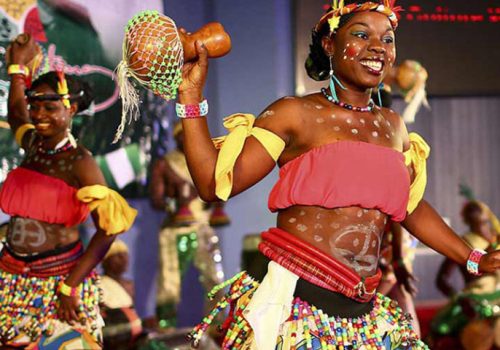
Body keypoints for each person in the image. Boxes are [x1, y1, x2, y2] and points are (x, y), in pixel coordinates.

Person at [170, 1, 500, 348]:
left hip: (366, 310)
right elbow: (211, 184)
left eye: (387, 40)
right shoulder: (294, 113)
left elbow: (410, 207)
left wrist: (473, 258)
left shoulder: (393, 126)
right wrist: (190, 93)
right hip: (298, 306)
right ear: (329, 44)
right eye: (361, 35)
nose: (378, 48)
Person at [0, 34, 137, 348]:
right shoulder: (34, 146)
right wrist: (17, 71)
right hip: (11, 279)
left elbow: (108, 230)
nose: (39, 115)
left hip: (57, 282)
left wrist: (69, 287)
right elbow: (18, 114)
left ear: (72, 108)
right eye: (36, 106)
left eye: (50, 106)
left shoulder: (80, 163)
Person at [150, 122, 225, 330]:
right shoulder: (165, 164)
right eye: (183, 135)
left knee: (215, 279)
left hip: (203, 228)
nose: (187, 139)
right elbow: (156, 200)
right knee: (169, 284)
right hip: (176, 231)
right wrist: (176, 203)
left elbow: (218, 191)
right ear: (176, 138)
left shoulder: (206, 161)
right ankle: (166, 328)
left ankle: (216, 327)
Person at [430, 201, 500, 350]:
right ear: (467, 220)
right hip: (477, 297)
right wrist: (459, 298)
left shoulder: (496, 237)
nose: (483, 228)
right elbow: (441, 279)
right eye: (478, 224)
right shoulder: (464, 243)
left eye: (484, 223)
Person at [100, 239, 143, 350]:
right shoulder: (99, 284)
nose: (124, 259)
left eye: (125, 255)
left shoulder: (129, 284)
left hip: (133, 338)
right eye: (118, 256)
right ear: (105, 261)